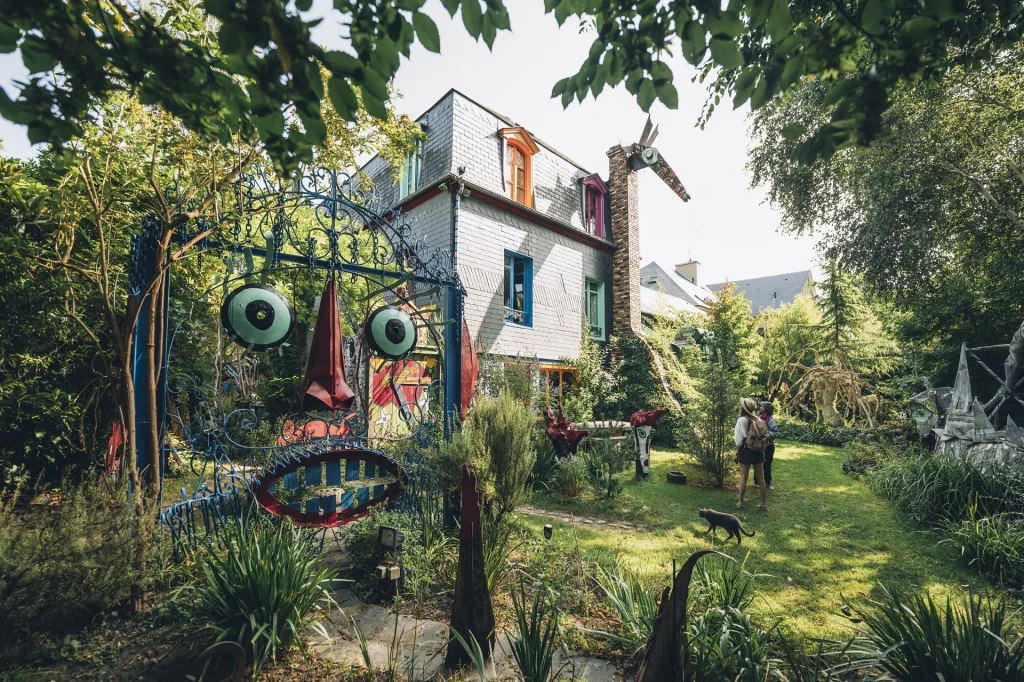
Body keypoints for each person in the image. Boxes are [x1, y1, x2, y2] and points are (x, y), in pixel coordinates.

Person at [734, 398, 768, 511]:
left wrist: (737, 452)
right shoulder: (758, 419)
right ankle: (763, 503)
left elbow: (739, 439)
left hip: (746, 450)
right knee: (761, 478)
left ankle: (740, 502)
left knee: (743, 477)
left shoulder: (742, 420)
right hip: (759, 450)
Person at [760, 402, 778, 490]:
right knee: (758, 464)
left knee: (767, 464)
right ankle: (757, 481)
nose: (760, 407)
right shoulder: (758, 418)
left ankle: (767, 483)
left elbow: (775, 433)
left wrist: (765, 434)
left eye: (761, 406)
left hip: (768, 446)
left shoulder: (771, 420)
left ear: (766, 409)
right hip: (759, 446)